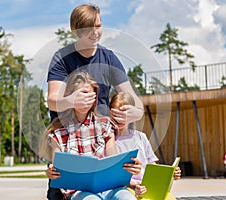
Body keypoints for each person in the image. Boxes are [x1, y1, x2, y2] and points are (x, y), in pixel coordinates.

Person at [46, 3, 144, 199]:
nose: (95, 33)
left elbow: (136, 103)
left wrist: (134, 112)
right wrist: (72, 101)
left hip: (99, 137)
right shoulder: (62, 58)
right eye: (88, 29)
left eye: (98, 26)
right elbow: (52, 100)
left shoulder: (109, 58)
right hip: (69, 140)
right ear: (76, 30)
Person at [45, 71, 139, 200]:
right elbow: (57, 170)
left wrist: (130, 169)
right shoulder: (58, 132)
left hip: (109, 189)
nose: (85, 100)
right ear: (70, 96)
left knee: (126, 198)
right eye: (80, 95)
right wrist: (51, 172)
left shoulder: (105, 125)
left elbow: (114, 163)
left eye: (89, 95)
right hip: (79, 192)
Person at [109, 92, 181, 198]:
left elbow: (153, 167)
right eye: (116, 114)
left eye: (123, 114)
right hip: (126, 188)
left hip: (147, 186)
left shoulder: (141, 137)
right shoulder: (110, 141)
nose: (119, 118)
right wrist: (134, 185)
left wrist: (170, 174)